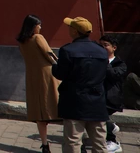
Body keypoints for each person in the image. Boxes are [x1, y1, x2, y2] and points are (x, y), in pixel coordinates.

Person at [52, 17, 109, 153]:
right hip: (97, 102)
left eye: (70, 27)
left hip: (74, 101)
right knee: (100, 142)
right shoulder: (101, 51)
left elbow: (60, 74)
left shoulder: (68, 51)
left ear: (75, 32)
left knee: (73, 141)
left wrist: (54, 65)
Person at [17, 14, 60, 153]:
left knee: (39, 113)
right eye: (39, 25)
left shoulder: (22, 41)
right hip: (46, 76)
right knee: (57, 106)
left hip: (32, 77)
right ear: (33, 26)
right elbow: (49, 55)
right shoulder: (38, 38)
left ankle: (45, 144)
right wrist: (60, 66)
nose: (40, 27)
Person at [100, 35, 127, 153]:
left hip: (111, 98)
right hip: (98, 96)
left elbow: (114, 75)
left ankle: (113, 140)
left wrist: (105, 62)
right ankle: (111, 128)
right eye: (100, 45)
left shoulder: (120, 64)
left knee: (100, 117)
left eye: (105, 45)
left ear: (114, 47)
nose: (102, 48)